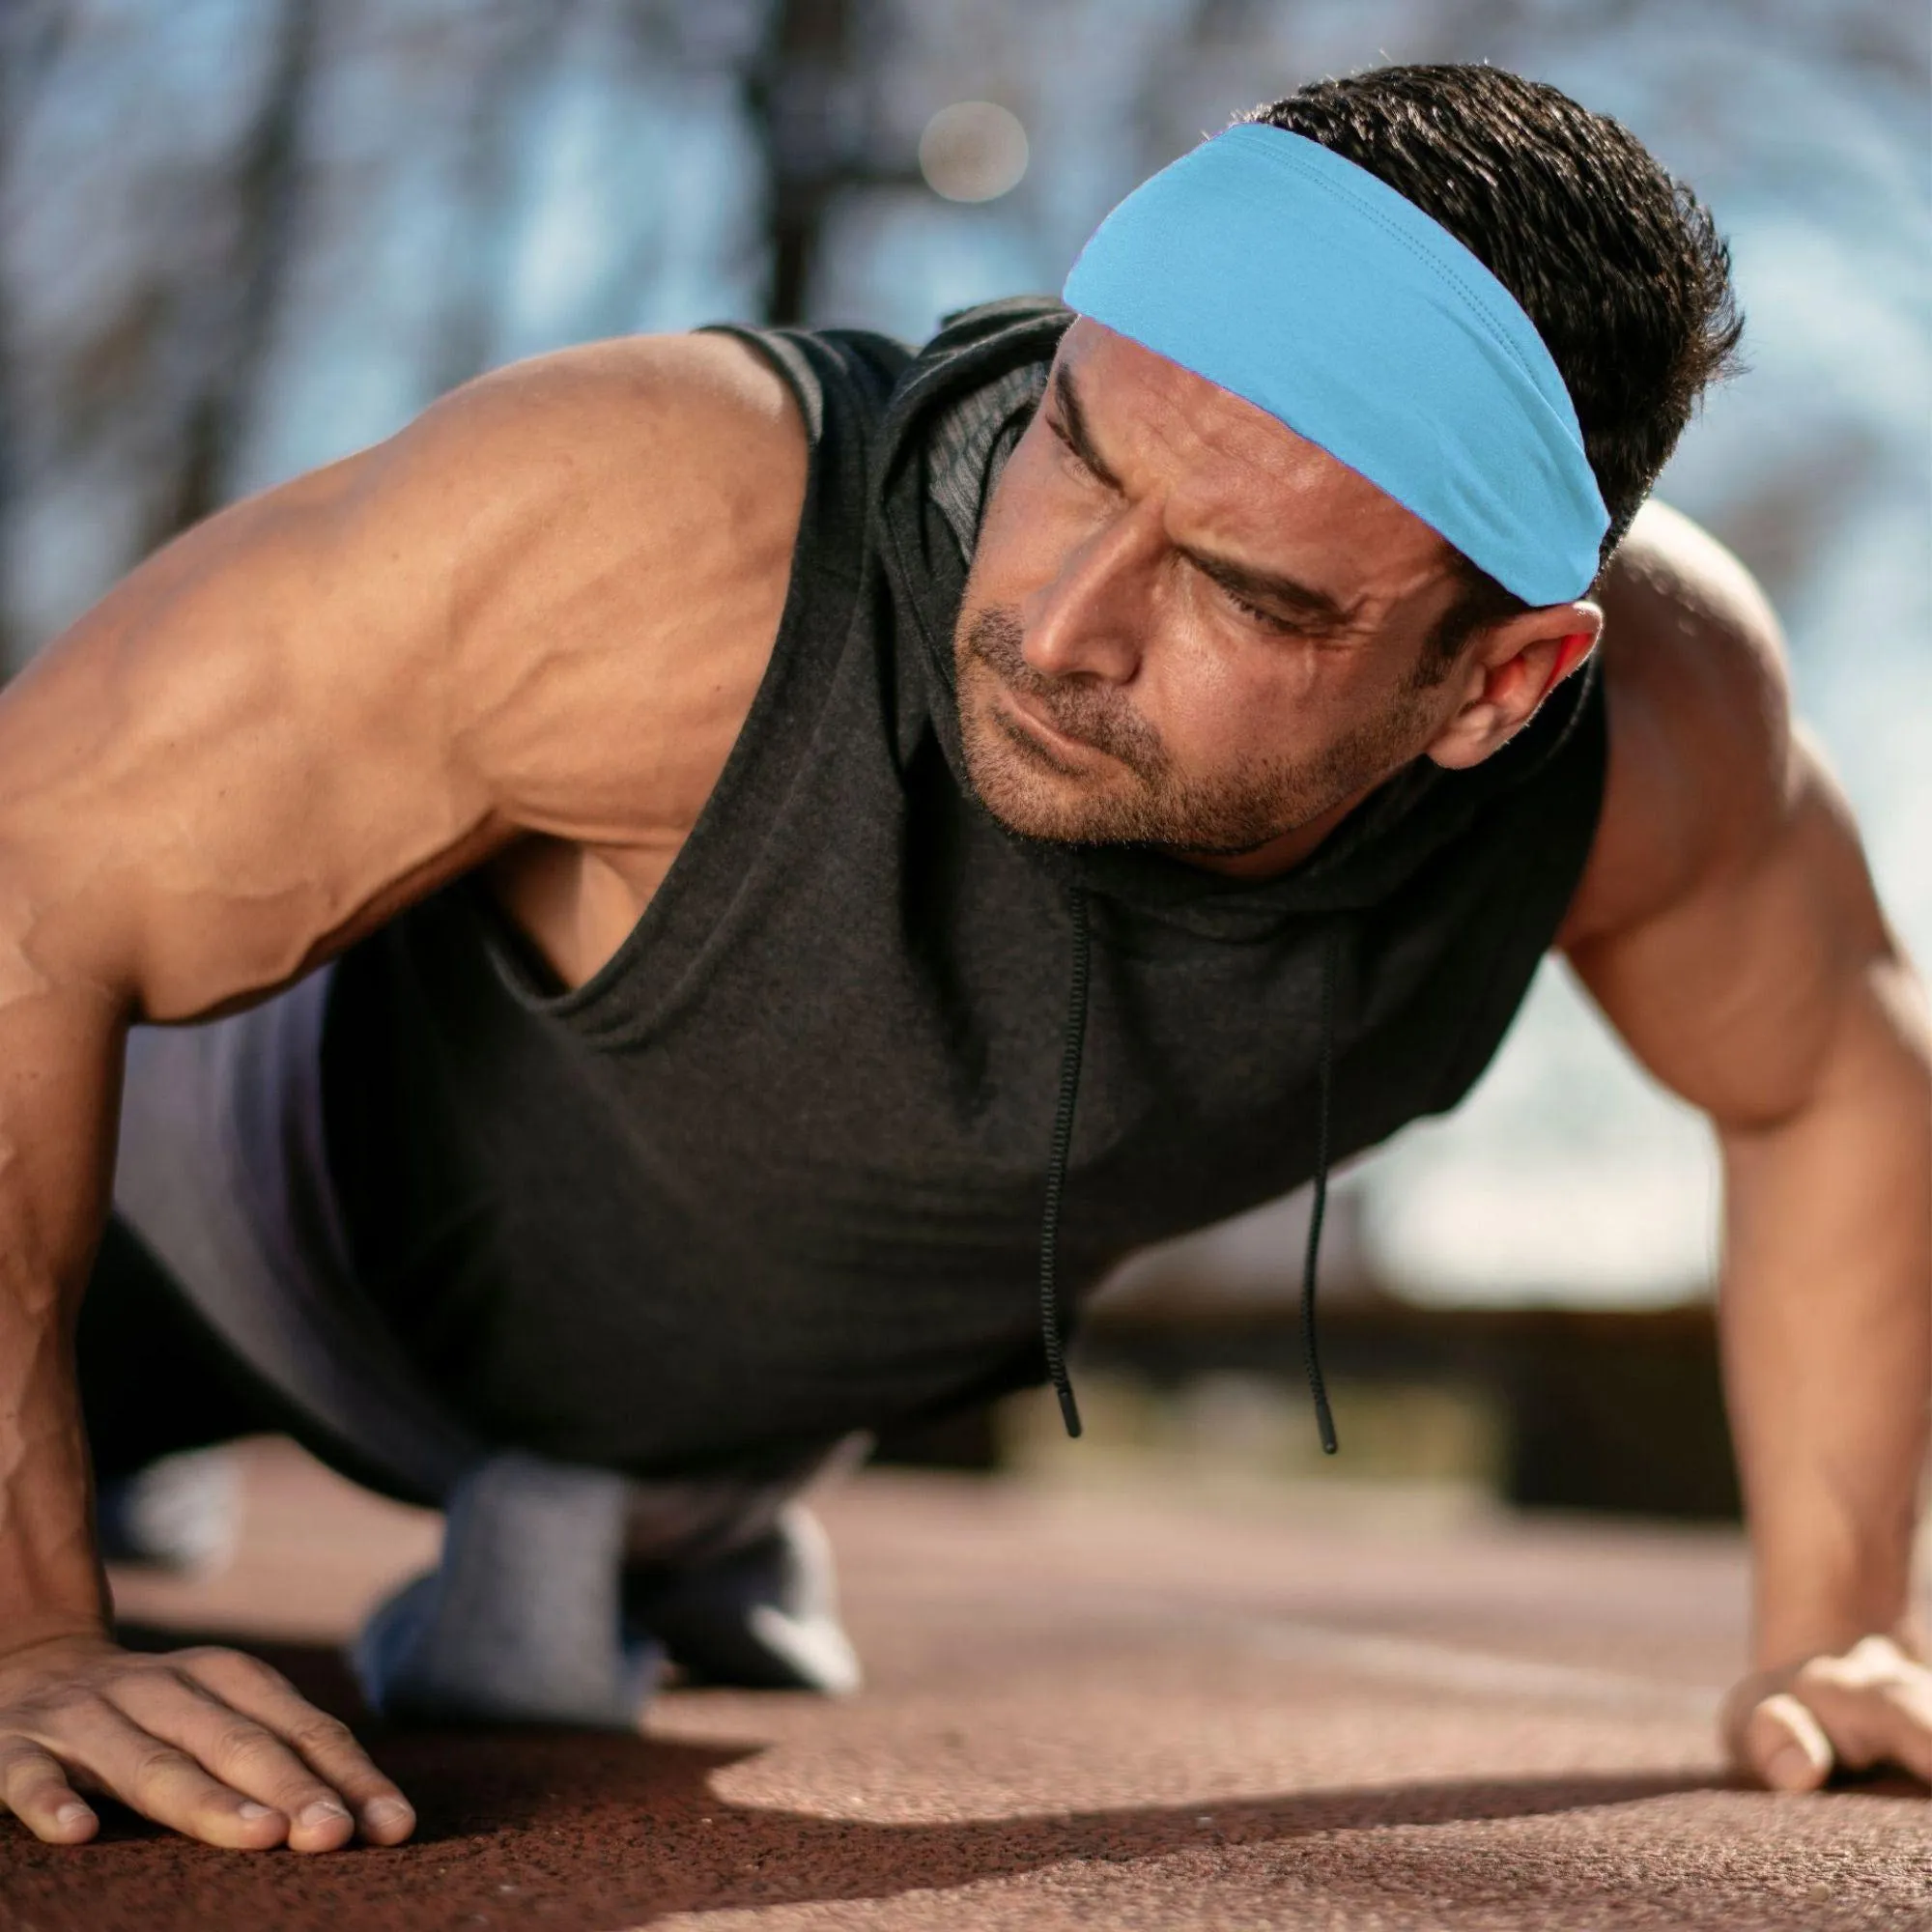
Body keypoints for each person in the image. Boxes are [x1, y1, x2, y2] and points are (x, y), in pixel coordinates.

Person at [0, 62, 1926, 1856]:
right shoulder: (658, 526)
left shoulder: (1659, 732)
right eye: (1077, 456)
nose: (1063, 620)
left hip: (694, 1432)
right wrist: (28, 1631)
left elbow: (1833, 1069)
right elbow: (33, 867)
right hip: (201, 1237)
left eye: (1244, 591)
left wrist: (1832, 1628)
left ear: (1499, 684)